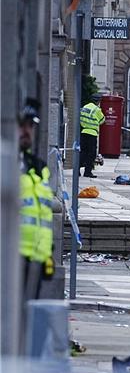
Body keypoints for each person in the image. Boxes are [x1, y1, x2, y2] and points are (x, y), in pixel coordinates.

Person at [19, 98, 55, 303]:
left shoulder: (38, 168)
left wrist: (47, 255)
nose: (26, 131)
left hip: (35, 264)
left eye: (31, 125)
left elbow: (42, 217)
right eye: (21, 125)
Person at [79, 93, 104, 178]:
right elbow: (102, 120)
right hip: (92, 133)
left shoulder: (85, 107)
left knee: (82, 152)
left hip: (83, 132)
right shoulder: (97, 109)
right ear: (98, 101)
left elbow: (80, 118)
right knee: (91, 154)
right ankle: (87, 172)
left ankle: (77, 171)